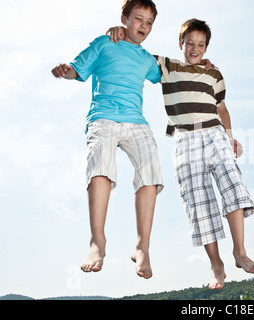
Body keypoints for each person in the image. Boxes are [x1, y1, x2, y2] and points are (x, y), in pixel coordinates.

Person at [108, 18, 254, 289]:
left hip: (214, 133)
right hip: (184, 138)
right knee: (198, 202)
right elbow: (135, 53)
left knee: (233, 185)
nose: (195, 48)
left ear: (206, 47)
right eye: (190, 42)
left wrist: (230, 136)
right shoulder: (167, 65)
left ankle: (240, 252)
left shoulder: (214, 73)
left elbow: (222, 108)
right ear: (181, 43)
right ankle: (216, 265)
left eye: (201, 44)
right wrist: (121, 33)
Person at [51, 0, 164, 279]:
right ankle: (97, 242)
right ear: (124, 18)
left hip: (136, 122)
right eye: (138, 19)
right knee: (101, 166)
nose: (144, 26)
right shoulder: (104, 43)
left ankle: (142, 247)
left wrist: (202, 63)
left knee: (151, 171)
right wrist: (66, 71)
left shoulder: (148, 59)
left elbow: (172, 74)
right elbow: (77, 69)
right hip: (103, 117)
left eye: (149, 23)